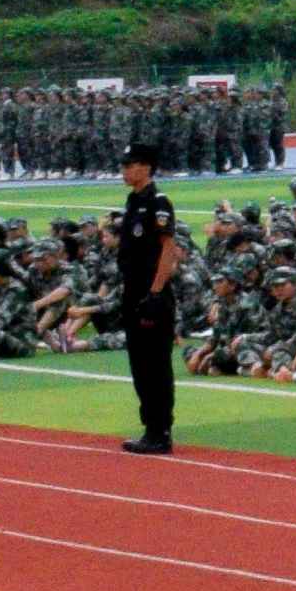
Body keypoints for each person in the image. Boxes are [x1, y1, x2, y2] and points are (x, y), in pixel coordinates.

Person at [111, 148, 184, 452]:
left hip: (152, 294)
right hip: (132, 292)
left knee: (155, 365)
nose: (124, 171)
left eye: (130, 165)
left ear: (146, 168)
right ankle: (150, 426)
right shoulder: (133, 201)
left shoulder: (158, 202)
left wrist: (155, 291)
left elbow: (169, 249)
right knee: (139, 365)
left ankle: (161, 430)